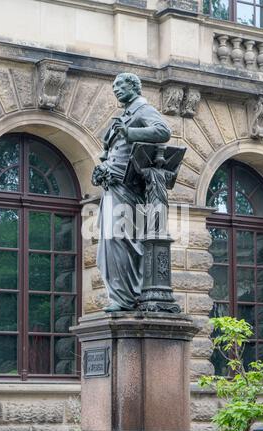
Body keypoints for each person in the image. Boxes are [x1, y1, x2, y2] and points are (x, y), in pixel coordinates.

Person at [92, 72, 171, 312]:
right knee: (106, 246)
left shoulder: (142, 110)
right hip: (113, 185)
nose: (115, 89)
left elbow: (163, 131)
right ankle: (120, 296)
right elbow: (111, 152)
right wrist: (102, 168)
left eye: (120, 84)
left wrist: (130, 133)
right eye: (113, 85)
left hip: (128, 188)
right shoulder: (125, 114)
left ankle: (126, 299)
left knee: (120, 240)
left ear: (134, 87)